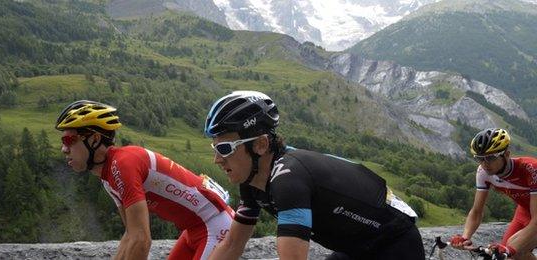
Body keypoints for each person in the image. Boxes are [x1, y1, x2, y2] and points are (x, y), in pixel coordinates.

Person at [203, 90, 425, 260]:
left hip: (395, 245)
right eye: (215, 149)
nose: (217, 159)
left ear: (261, 145)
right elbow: (232, 245)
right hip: (357, 248)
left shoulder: (288, 177)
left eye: (225, 149)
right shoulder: (252, 182)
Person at [55, 100, 234, 260]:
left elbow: (141, 241)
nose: (64, 149)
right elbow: (130, 235)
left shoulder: (123, 164)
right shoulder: (108, 176)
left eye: (69, 140)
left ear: (94, 139)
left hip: (215, 225)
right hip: (193, 230)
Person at [450, 128, 537, 260]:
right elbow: (476, 211)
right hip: (524, 212)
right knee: (504, 256)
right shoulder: (483, 172)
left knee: (511, 247)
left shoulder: (530, 168)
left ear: (507, 154)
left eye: (490, 157)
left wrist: (511, 248)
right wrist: (465, 237)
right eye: (480, 158)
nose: (485, 164)